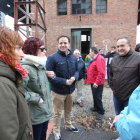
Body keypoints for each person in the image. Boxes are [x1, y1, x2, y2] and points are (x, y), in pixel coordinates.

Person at [0, 25, 33, 140]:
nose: (22, 54)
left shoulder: (9, 76)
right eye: (18, 48)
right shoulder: (3, 84)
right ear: (4, 48)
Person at [46, 34, 79, 140]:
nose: (63, 45)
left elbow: (78, 71)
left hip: (71, 90)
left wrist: (74, 77)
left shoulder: (73, 57)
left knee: (68, 110)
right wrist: (64, 81)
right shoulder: (52, 58)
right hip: (58, 92)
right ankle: (56, 131)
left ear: (69, 44)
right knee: (57, 113)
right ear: (58, 44)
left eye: (65, 43)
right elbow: (49, 76)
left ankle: (68, 125)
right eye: (61, 43)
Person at [21, 37, 54, 140]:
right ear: (32, 50)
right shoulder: (25, 68)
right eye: (41, 48)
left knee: (43, 136)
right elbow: (19, 92)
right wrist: (35, 98)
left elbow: (41, 85)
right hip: (35, 114)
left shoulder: (40, 64)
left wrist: (51, 76)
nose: (44, 51)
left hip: (45, 111)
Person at [109, 36, 140, 140]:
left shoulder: (138, 58)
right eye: (117, 46)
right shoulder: (114, 60)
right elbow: (111, 76)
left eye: (122, 45)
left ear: (130, 45)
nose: (119, 48)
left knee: (131, 123)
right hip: (117, 97)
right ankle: (121, 137)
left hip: (131, 100)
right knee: (119, 119)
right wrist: (114, 89)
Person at [87, 47, 106, 120]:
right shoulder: (95, 58)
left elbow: (101, 72)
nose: (89, 53)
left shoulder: (99, 58)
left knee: (97, 97)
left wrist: (97, 82)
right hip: (93, 81)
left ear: (93, 52)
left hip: (97, 82)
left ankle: (101, 111)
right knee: (95, 95)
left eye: (90, 52)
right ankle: (95, 107)